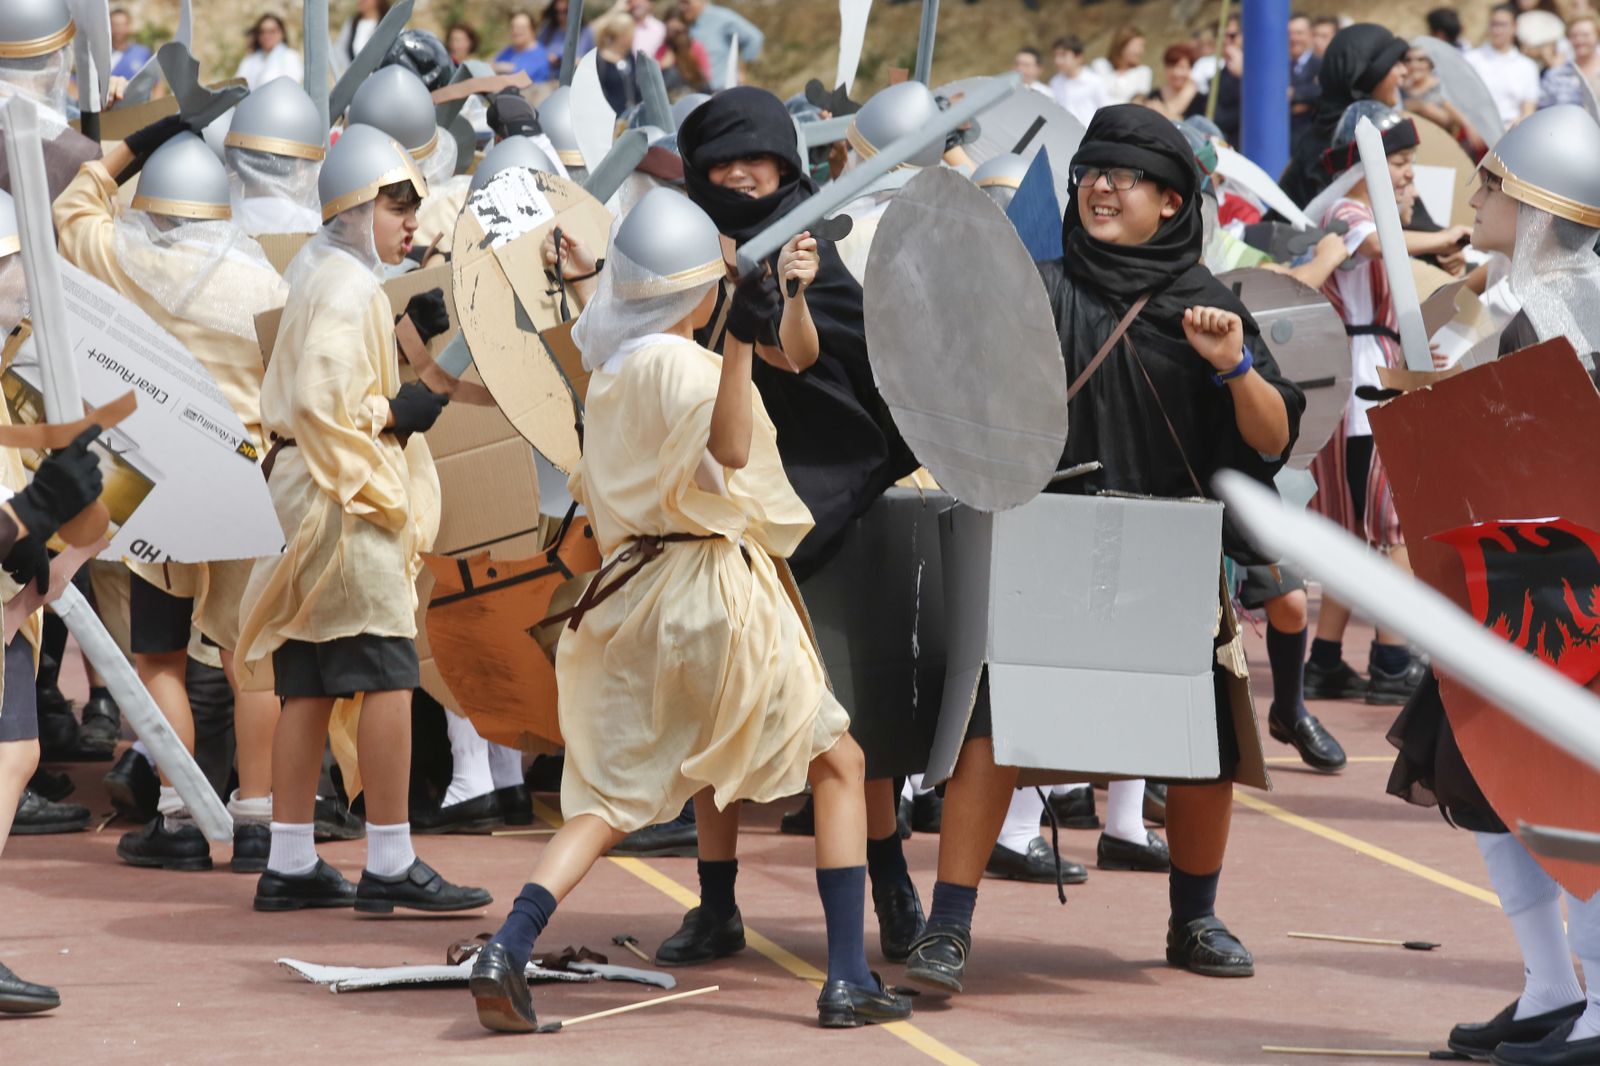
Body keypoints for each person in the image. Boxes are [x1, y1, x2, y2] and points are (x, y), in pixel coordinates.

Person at [466, 186, 913, 1032]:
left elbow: (794, 356)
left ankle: (510, 944)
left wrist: (780, 302)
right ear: (699, 291)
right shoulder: (686, 366)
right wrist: (741, 335)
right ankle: (848, 977)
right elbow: (734, 446)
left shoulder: (613, 366)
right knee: (841, 764)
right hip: (710, 591)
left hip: (633, 598)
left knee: (604, 797)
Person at [903, 104, 1304, 996]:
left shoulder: (1210, 302)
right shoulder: (1036, 290)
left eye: (1123, 177)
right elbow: (960, 395)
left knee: (1203, 747)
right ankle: (947, 928)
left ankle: (1194, 917)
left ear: (1170, 201)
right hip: (1042, 545)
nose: (1101, 188)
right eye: (1091, 172)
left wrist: (1234, 367)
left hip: (1168, 553)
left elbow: (1271, 440)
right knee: (991, 734)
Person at [1387, 104, 1600, 1066]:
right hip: (1515, 587)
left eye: (1491, 184)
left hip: (1576, 598)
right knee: (1483, 777)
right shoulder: (1530, 303)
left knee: (1574, 796)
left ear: (1540, 205)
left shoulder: (1576, 310)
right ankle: (1552, 990)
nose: (1473, 195)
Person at [235, 124, 489, 916]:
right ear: (353, 206)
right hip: (342, 497)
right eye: (395, 202)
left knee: (308, 679)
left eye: (413, 202)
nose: (410, 217)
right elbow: (325, 404)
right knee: (387, 673)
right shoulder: (347, 287)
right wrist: (396, 412)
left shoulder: (324, 265)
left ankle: (289, 859)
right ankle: (390, 858)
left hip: (305, 493)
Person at [54, 123, 293, 874]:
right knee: (248, 657)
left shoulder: (123, 257)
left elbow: (68, 209)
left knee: (159, 653)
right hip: (248, 474)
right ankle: (258, 819)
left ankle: (180, 814)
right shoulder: (266, 282)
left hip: (158, 475)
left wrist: (129, 145)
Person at [1302, 102, 1467, 705]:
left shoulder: (1368, 219)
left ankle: (1324, 659)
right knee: (1398, 527)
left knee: (1354, 533)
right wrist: (1446, 237)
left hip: (1364, 382)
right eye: (1397, 162)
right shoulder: (1347, 209)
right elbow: (1373, 242)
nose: (1407, 175)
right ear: (1361, 164)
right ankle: (1393, 657)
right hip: (1362, 390)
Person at [1280, 22, 1408, 209]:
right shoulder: (1337, 144)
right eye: (1394, 64)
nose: (1404, 71)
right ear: (1365, 75)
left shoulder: (1373, 128)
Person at [1404, 47, 1486, 157]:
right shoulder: (1401, 87)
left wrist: (1421, 107)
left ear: (1430, 63)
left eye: (1421, 60)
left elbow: (1447, 118)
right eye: (1408, 60)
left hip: (1441, 147)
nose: (1414, 65)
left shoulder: (1440, 87)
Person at [1468, 5, 1541, 128]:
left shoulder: (1527, 66)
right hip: (1476, 130)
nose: (1497, 30)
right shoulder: (1471, 59)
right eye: (1493, 24)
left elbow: (1529, 109)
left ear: (1514, 27)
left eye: (1502, 25)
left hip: (1512, 132)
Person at [681, 0, 762, 90]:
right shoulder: (684, 20)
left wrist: (742, 72)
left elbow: (754, 38)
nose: (682, 7)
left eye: (686, 2)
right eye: (680, 3)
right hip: (699, 91)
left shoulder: (722, 17)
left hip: (723, 90)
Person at [1540, 17, 1600, 109]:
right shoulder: (1556, 75)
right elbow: (1543, 110)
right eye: (1574, 36)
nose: (1580, 40)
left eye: (1585, 35)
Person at [1050, 35, 1110, 127]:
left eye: (1063, 55)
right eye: (1056, 56)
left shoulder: (1094, 81)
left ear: (1078, 57)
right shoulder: (1055, 82)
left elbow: (1106, 112)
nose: (1058, 61)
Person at [237, 15, 303, 92]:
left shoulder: (290, 56)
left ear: (282, 33)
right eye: (263, 32)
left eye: (272, 31)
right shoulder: (249, 60)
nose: (267, 36)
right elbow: (238, 87)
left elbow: (292, 86)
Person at [1092, 27, 1154, 105]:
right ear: (1122, 45)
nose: (1141, 51)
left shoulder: (1143, 72)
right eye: (1138, 46)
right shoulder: (1100, 66)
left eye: (1142, 46)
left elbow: (1137, 103)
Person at [657, 4, 711, 93]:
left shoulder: (695, 47)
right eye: (671, 31)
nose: (676, 36)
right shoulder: (663, 48)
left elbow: (706, 76)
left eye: (678, 32)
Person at [594, 13, 639, 114]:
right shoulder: (599, 60)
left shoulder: (629, 56)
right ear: (622, 35)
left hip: (629, 118)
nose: (634, 37)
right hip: (609, 120)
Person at [1139, 43, 1197, 120]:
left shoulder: (1201, 100)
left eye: (1182, 67)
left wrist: (1164, 113)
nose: (1176, 73)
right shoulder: (1154, 96)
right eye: (1171, 67)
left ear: (1190, 68)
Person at [537, 0, 597, 72]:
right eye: (557, 12)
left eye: (566, 11)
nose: (561, 16)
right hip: (547, 77)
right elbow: (536, 52)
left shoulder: (586, 31)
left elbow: (593, 61)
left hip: (574, 77)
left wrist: (567, 62)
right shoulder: (548, 30)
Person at [1290, 14, 1323, 141]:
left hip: (1307, 138)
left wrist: (1294, 93)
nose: (1294, 38)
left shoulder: (1320, 65)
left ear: (1310, 35)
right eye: (1290, 33)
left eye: (1299, 33)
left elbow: (1321, 93)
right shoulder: (1277, 67)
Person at [495, 12, 554, 82]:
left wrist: (506, 68)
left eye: (521, 27)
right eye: (513, 27)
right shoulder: (508, 51)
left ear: (532, 30)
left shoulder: (541, 54)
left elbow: (527, 76)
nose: (516, 31)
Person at [334, 0, 389, 71]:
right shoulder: (352, 24)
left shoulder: (388, 24)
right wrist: (350, 70)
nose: (360, 1)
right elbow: (339, 49)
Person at [109, 8, 151, 80]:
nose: (119, 29)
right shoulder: (101, 56)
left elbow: (156, 84)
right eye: (115, 25)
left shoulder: (143, 53)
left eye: (122, 24)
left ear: (129, 26)